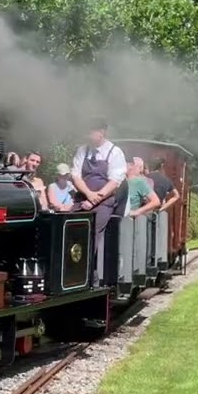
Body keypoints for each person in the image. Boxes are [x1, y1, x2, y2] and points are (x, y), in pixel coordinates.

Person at [70, 118, 128, 286]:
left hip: (103, 202)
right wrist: (88, 194)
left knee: (92, 232)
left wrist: (96, 198)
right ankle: (71, 273)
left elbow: (115, 181)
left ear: (102, 132)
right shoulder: (82, 150)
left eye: (91, 131)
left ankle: (89, 277)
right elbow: (75, 175)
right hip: (82, 198)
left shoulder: (115, 152)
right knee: (68, 228)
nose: (88, 135)